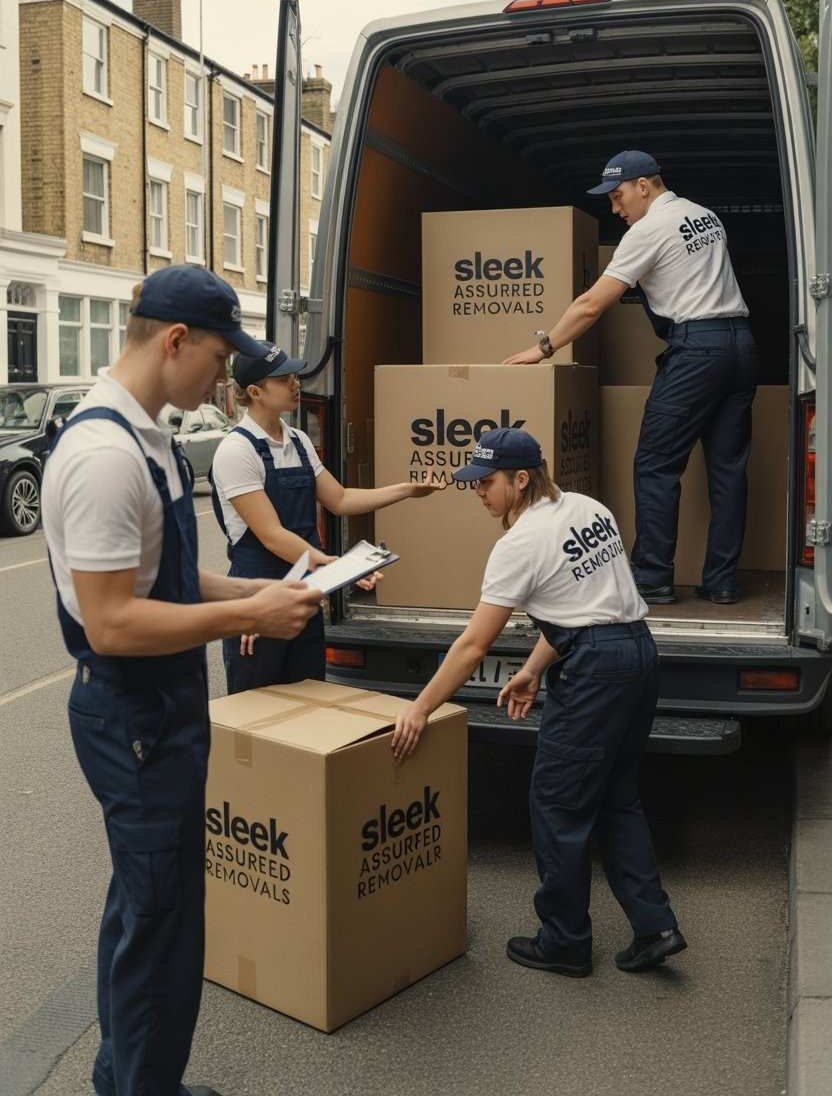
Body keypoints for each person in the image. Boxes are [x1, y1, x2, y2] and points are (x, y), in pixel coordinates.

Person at [41, 266, 323, 1096]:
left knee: (145, 906)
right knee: (162, 931)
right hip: (132, 713)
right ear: (174, 341)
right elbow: (111, 621)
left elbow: (164, 578)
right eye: (219, 357)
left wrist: (251, 594)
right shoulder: (104, 456)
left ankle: (125, 1079)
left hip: (160, 707)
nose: (224, 377)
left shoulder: (151, 438)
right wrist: (249, 617)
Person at [390, 426, 685, 977]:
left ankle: (565, 942)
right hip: (638, 657)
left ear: (521, 479)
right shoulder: (589, 508)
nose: (478, 492)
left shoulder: (519, 544)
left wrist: (420, 707)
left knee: (556, 804)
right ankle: (656, 927)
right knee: (616, 796)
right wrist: (531, 668)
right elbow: (585, 603)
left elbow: (473, 645)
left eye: (487, 482)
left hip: (596, 673)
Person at [504, 150, 756, 606]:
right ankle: (721, 581)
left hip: (698, 350)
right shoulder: (705, 216)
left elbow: (591, 305)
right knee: (728, 470)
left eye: (618, 196)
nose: (615, 208)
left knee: (656, 463)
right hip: (740, 346)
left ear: (645, 186)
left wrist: (544, 349)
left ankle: (653, 576)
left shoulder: (648, 229)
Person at [211, 344, 445, 692]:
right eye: (284, 379)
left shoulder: (298, 441)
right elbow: (272, 535)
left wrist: (408, 490)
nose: (296, 384)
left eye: (295, 376)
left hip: (303, 597)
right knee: (258, 711)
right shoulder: (236, 450)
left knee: (309, 703)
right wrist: (339, 566)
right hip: (258, 602)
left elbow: (340, 499)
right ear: (256, 392)